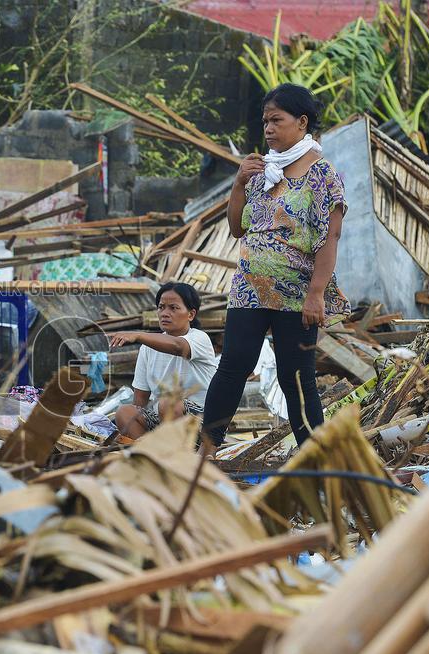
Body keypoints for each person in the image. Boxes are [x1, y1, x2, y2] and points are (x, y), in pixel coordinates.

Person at [202, 83, 350, 451]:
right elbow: (237, 228)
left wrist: (316, 294)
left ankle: (313, 459)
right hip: (249, 288)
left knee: (295, 377)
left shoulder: (322, 175)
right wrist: (239, 184)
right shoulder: (262, 170)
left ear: (301, 122)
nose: (267, 128)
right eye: (265, 121)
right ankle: (204, 452)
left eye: (276, 120)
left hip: (297, 294)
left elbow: (329, 239)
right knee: (233, 367)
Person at [112, 282, 218, 438]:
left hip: (203, 423)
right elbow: (140, 398)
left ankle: (172, 455)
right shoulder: (147, 348)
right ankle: (150, 455)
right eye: (161, 307)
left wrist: (138, 335)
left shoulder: (199, 338)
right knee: (124, 412)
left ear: (191, 314)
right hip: (164, 423)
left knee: (169, 403)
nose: (165, 313)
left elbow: (178, 347)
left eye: (173, 308)